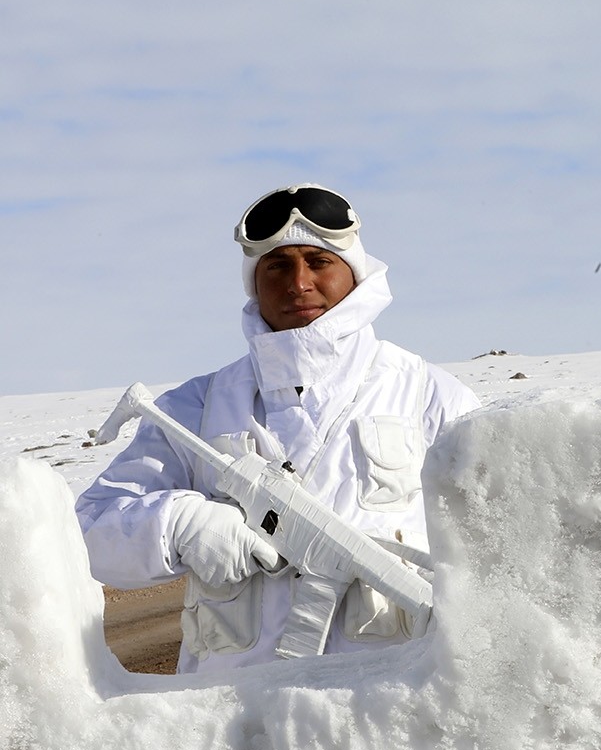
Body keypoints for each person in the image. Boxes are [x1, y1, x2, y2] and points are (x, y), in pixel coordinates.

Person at [77, 184, 481, 672]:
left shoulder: (429, 396)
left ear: (354, 273)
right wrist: (181, 525)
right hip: (226, 715)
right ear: (254, 282)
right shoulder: (196, 407)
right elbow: (89, 529)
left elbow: (500, 541)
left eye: (319, 261)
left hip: (387, 709)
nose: (299, 282)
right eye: (277, 266)